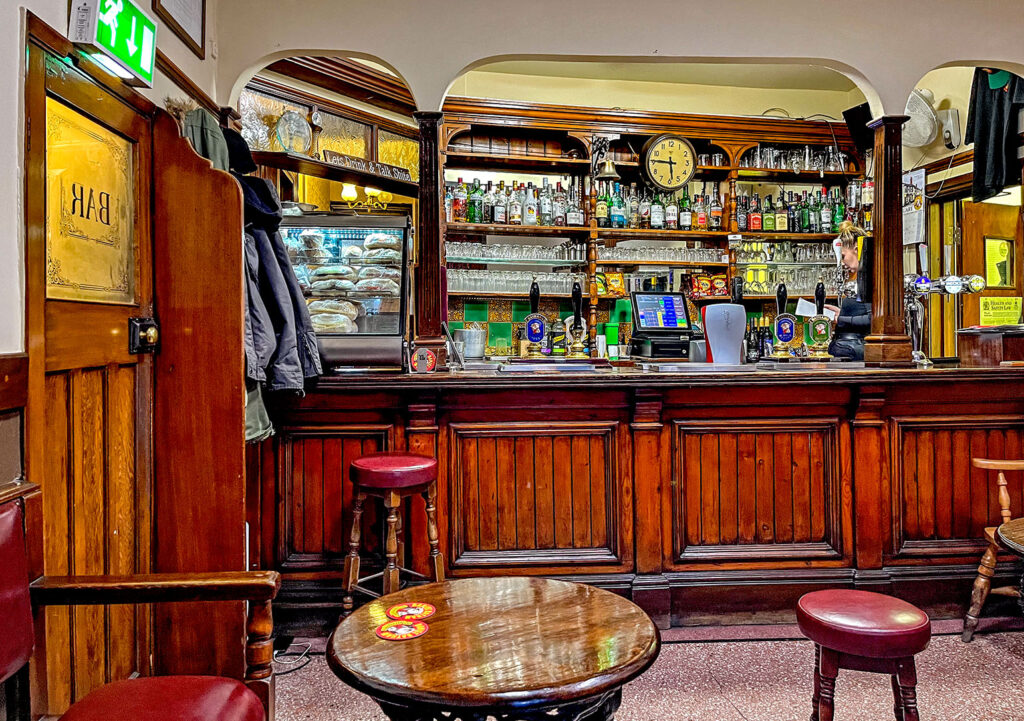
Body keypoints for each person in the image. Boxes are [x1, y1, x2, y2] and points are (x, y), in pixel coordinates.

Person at [824, 221, 872, 360]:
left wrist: (841, 319)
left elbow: (875, 319)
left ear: (856, 249)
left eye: (843, 256)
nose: (842, 263)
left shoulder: (870, 278)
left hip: (855, 351)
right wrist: (841, 313)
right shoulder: (862, 278)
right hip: (849, 349)